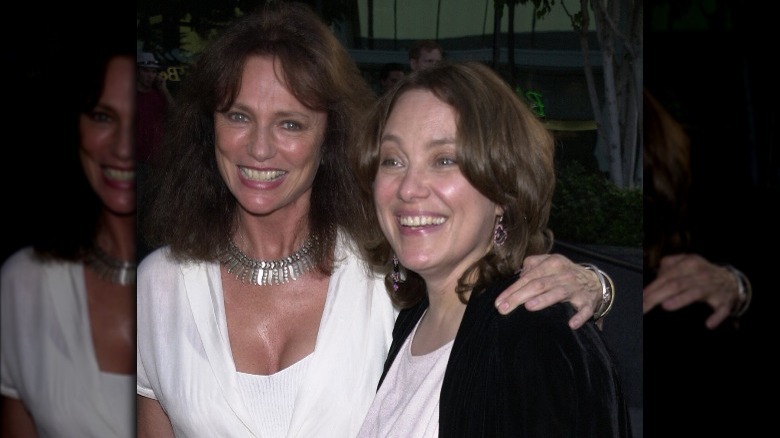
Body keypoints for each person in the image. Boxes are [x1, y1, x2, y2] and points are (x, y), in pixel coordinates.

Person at [136, 3, 612, 437]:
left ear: (331, 138)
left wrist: (592, 289)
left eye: (290, 123)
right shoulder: (157, 286)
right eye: (238, 116)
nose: (259, 147)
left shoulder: (382, 276)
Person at [351, 60, 630, 437]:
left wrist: (599, 289)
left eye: (444, 160)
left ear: (502, 190)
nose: (408, 188)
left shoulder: (536, 338)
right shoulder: (412, 322)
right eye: (393, 160)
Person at [1, 41, 136, 436]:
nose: (123, 148)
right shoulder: (24, 284)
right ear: (73, 125)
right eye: (102, 116)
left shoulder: (208, 279)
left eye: (136, 118)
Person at [136, 51, 173, 166]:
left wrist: (165, 90)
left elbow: (176, 116)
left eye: (153, 72)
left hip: (156, 158)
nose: (150, 76)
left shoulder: (159, 95)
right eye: (146, 71)